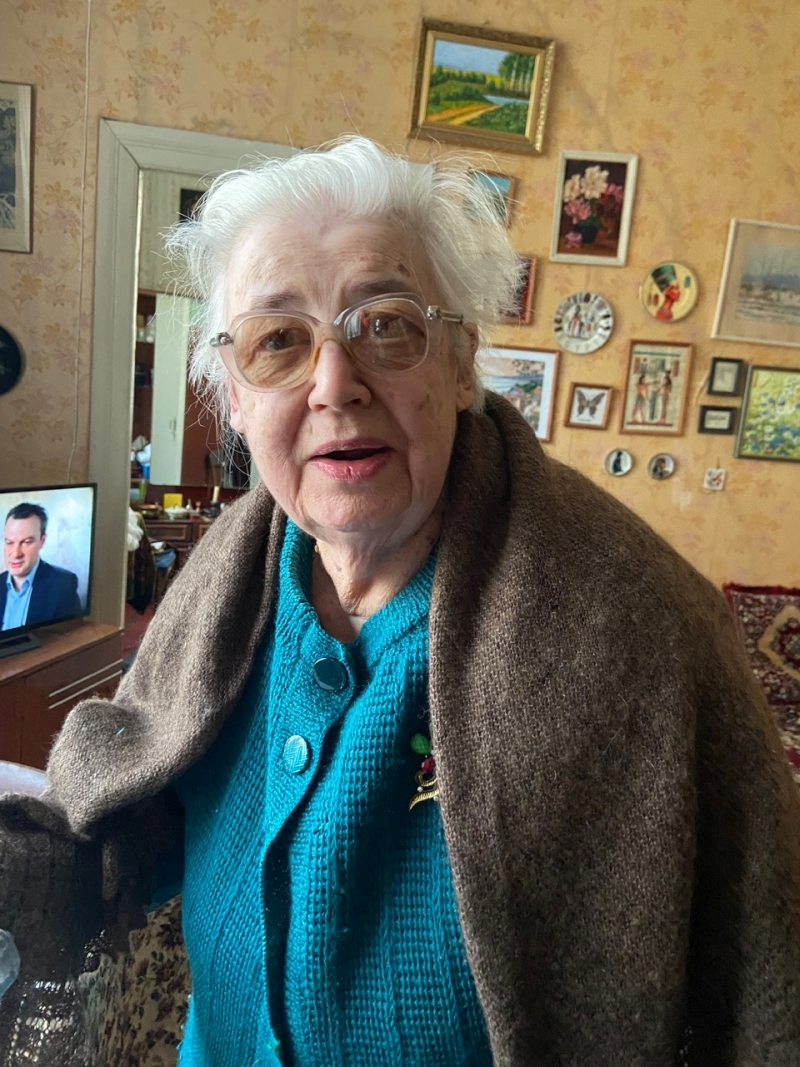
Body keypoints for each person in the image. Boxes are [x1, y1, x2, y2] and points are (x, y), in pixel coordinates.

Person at [0, 136, 799, 1066]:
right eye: (277, 341)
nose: (335, 384)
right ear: (235, 398)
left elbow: (762, 979)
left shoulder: (644, 621)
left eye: (386, 325)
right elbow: (148, 799)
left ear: (460, 362)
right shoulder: (229, 574)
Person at [1, 503, 81, 630]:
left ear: (42, 541)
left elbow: (70, 635)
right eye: (9, 542)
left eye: (26, 542)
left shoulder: (63, 585)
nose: (16, 553)